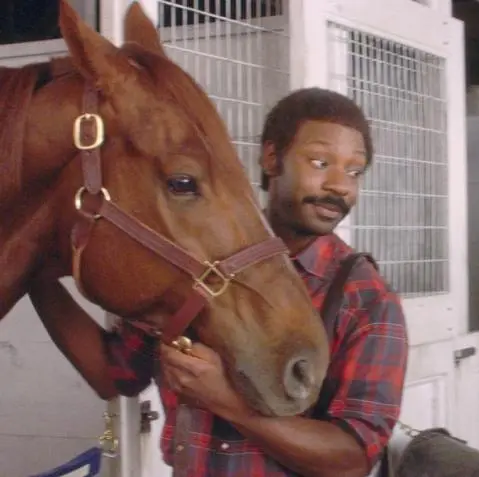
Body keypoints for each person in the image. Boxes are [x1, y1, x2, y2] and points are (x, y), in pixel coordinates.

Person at [28, 87, 409, 477]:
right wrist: (32, 264)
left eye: (354, 171)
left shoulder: (365, 299)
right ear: (271, 157)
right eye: (320, 162)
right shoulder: (197, 262)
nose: (340, 185)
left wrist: (227, 401)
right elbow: (114, 373)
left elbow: (352, 459)